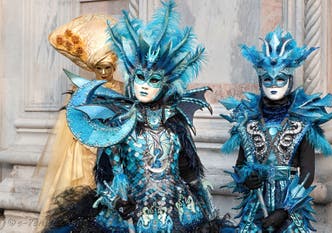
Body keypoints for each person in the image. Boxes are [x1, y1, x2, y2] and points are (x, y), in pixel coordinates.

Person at [42, 1, 217, 232]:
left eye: (153, 80)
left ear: (165, 84)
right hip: (131, 216)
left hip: (179, 213)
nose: (144, 86)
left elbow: (190, 172)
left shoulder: (175, 122)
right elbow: (104, 176)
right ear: (131, 79)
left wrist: (209, 213)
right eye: (139, 78)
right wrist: (117, 200)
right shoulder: (119, 121)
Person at [220, 27, 332, 232]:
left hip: (289, 204)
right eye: (268, 79)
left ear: (290, 80)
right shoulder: (248, 123)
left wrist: (285, 210)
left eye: (280, 79)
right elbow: (240, 165)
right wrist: (247, 178)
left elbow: (308, 174)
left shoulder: (303, 122)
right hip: (257, 204)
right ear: (260, 81)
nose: (274, 84)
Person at [37, 14, 124, 232]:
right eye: (99, 68)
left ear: (114, 67)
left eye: (108, 68)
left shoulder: (123, 89)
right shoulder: (82, 89)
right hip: (86, 151)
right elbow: (72, 121)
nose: (104, 73)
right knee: (83, 198)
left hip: (116, 150)